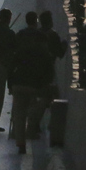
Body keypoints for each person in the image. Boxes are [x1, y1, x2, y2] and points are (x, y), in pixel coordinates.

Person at [8, 12, 52, 154]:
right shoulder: (42, 38)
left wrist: (10, 82)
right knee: (35, 107)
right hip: (34, 81)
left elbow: (12, 60)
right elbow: (47, 61)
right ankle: (31, 130)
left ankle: (20, 142)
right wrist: (46, 81)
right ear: (36, 21)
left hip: (19, 80)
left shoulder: (19, 36)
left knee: (19, 113)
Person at [26, 10, 69, 140]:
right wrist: (65, 45)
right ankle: (36, 126)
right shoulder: (52, 35)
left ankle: (34, 124)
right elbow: (60, 53)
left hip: (33, 70)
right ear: (50, 21)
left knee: (35, 98)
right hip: (47, 71)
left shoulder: (36, 34)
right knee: (48, 98)